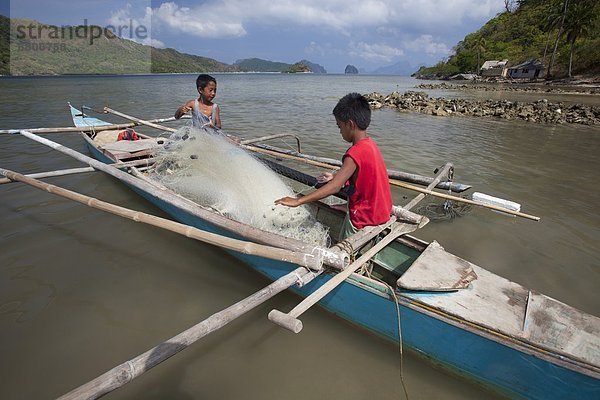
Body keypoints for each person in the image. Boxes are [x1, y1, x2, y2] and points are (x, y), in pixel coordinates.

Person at [275, 92, 392, 239]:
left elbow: (335, 187)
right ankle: (349, 208)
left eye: (339, 127)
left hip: (364, 219)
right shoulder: (370, 145)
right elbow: (363, 176)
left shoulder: (354, 152)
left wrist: (298, 201)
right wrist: (335, 176)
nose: (340, 132)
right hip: (381, 212)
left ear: (350, 124)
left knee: (345, 248)